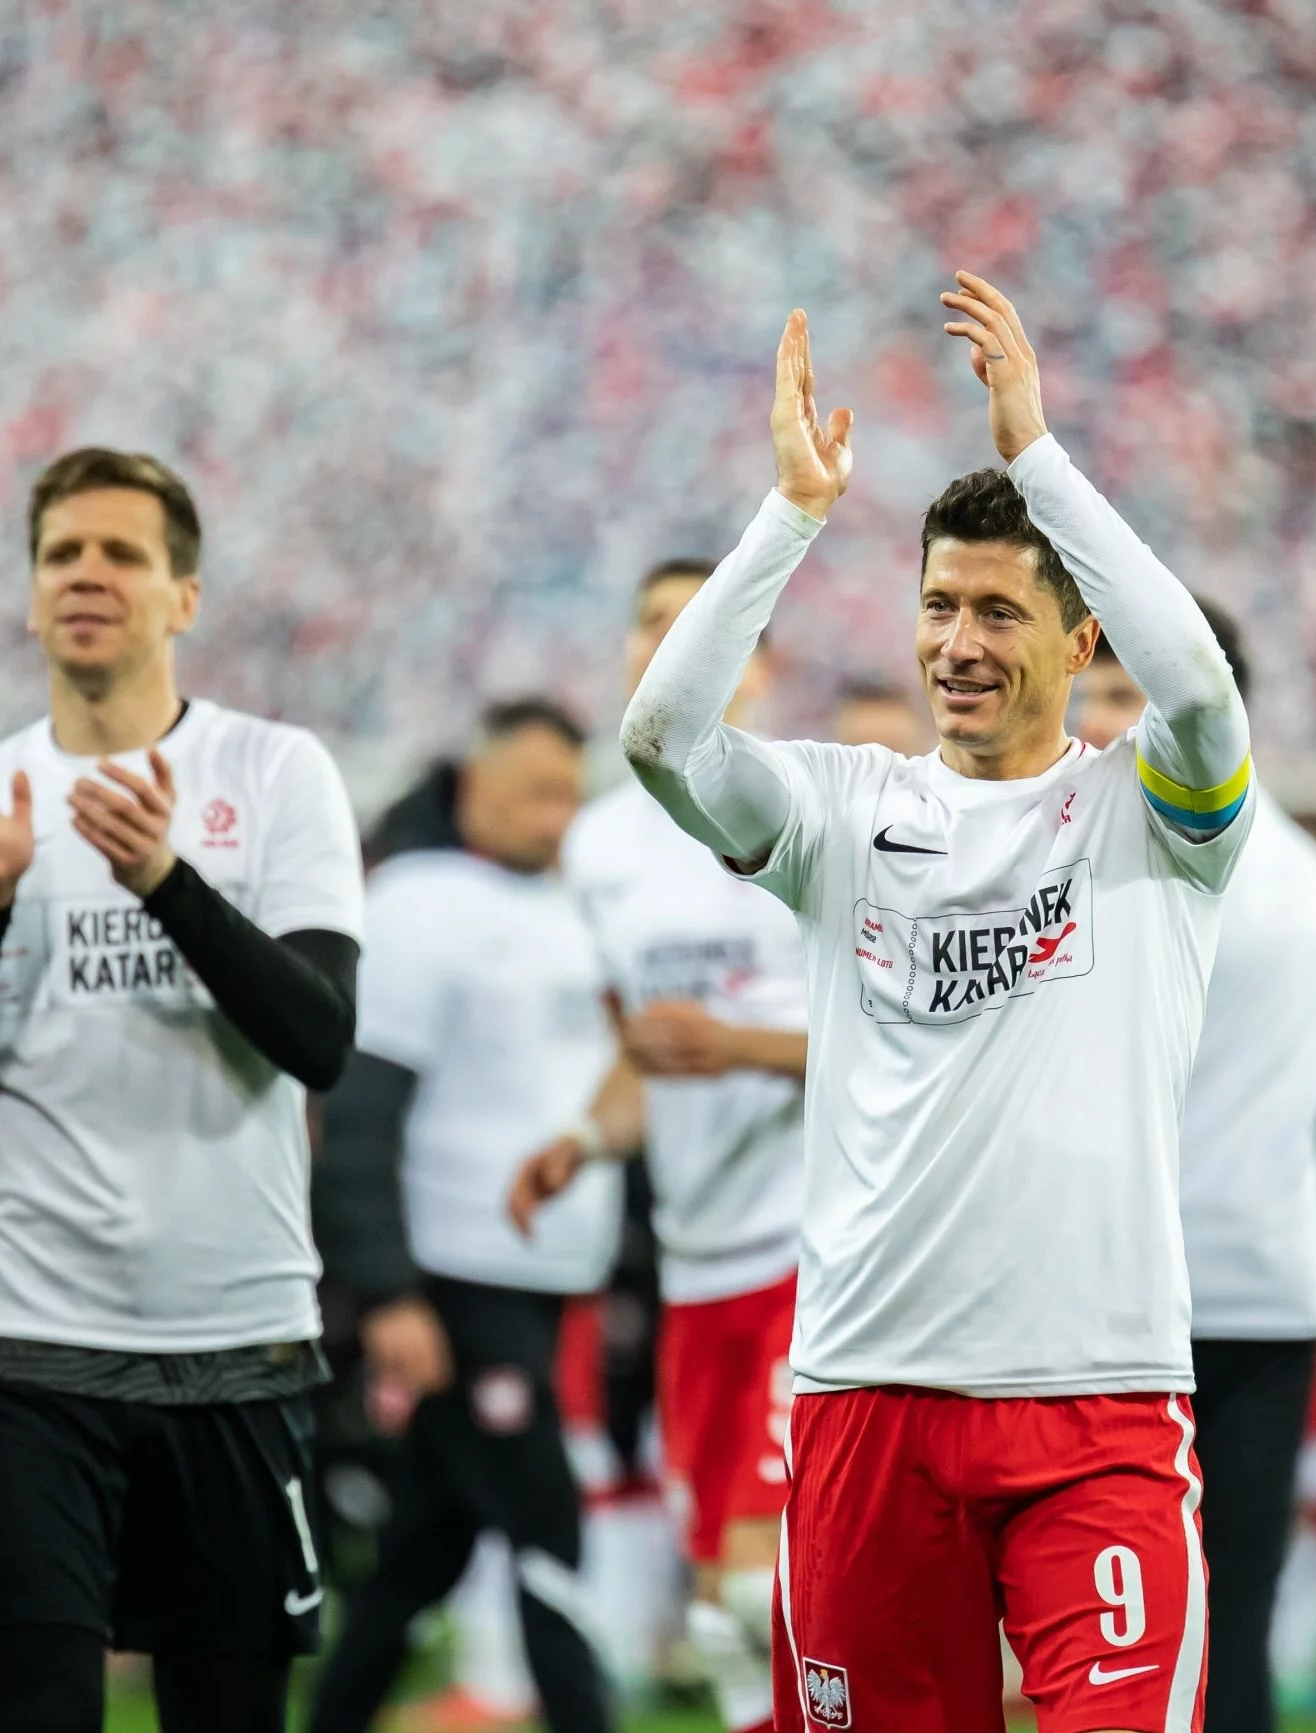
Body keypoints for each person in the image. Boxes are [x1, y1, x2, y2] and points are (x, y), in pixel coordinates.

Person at [622, 276, 1254, 1733]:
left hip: (1092, 1402)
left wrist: (1037, 455)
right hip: (864, 1395)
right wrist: (787, 516)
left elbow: (1206, 697)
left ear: (1077, 641)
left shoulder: (1150, 815)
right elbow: (660, 739)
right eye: (936, 605)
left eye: (997, 610)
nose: (957, 642)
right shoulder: (840, 812)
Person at [0, 448, 365, 1733]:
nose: (87, 573)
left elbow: (317, 1038)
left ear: (183, 594)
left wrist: (169, 882)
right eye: (61, 553)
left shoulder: (276, 774)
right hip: (19, 1341)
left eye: (122, 552)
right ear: (31, 598)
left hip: (234, 1337)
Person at [510, 561, 810, 1733]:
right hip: (691, 1264)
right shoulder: (598, 851)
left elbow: (890, 1037)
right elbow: (640, 1052)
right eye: (651, 625)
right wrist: (581, 1139)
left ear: (760, 663)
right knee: (724, 1612)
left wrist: (735, 1042)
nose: (670, 644)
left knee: (758, 1579)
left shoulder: (805, 810)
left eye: (703, 623)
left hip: (807, 1244)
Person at [306, 699, 621, 1733]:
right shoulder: (418, 902)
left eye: (568, 791)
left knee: (419, 1552)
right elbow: (358, 1110)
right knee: (547, 1522)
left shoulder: (570, 901)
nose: (556, 810)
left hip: (541, 1278)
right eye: (535, 787)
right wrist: (387, 1286)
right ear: (473, 786)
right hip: (460, 1275)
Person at [1074, 608, 1316, 1733]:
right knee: (1233, 1610)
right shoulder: (1307, 877)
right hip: (1273, 1281)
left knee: (1126, 1630)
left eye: (1107, 697)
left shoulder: (1159, 872)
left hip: (1146, 1291)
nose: (1085, 725)